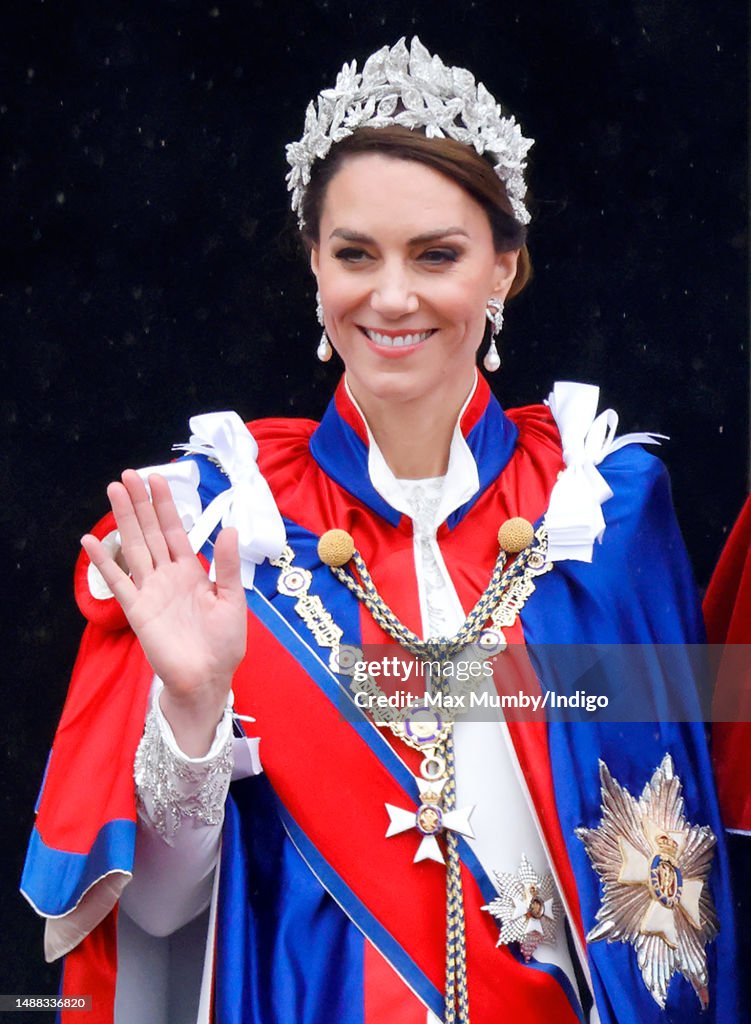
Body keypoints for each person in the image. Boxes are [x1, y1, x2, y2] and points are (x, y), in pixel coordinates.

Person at [22, 37, 743, 1024]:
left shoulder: (601, 513)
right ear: (315, 267)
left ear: (503, 268)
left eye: (436, 254)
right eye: (355, 254)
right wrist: (192, 707)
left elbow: (681, 878)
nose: (391, 296)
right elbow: (154, 919)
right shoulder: (220, 528)